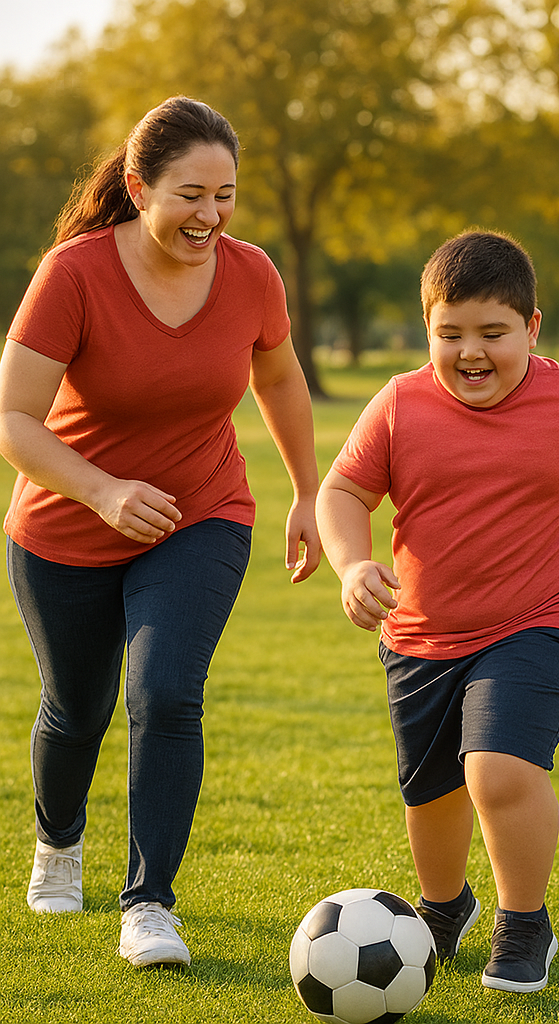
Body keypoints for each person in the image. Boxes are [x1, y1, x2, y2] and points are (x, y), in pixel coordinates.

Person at [0, 96, 322, 967]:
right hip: (64, 526)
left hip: (201, 515)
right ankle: (58, 843)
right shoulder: (74, 274)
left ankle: (149, 903)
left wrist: (306, 493)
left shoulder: (252, 274)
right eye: (190, 194)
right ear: (139, 188)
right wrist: (102, 492)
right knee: (77, 708)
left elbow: (282, 381)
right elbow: (15, 421)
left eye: (225, 195)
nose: (210, 215)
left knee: (167, 694)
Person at [316, 230, 559, 993]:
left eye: (492, 333)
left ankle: (522, 923)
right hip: (420, 633)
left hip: (540, 620)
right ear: (428, 330)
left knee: (497, 769)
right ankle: (445, 907)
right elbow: (342, 491)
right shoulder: (401, 404)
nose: (470, 352)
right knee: (432, 792)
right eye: (450, 334)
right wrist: (352, 565)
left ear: (532, 328)